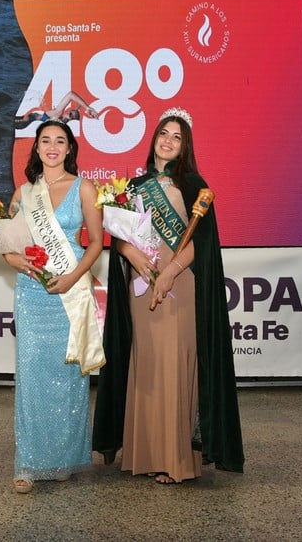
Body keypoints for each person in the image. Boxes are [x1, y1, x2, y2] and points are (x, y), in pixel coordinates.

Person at [92, 107, 245, 484]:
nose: (168, 141)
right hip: (141, 285)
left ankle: (176, 461)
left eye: (177, 137)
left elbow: (202, 243)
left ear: (185, 146)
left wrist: (169, 275)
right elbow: (119, 238)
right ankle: (144, 454)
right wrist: (135, 257)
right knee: (146, 366)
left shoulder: (194, 184)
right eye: (164, 133)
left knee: (176, 367)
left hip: (180, 285)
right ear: (154, 138)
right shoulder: (134, 186)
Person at [2, 118, 106, 494]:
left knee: (68, 376)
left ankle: (62, 458)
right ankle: (27, 463)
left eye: (60, 141)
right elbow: (7, 247)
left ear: (69, 149)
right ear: (37, 148)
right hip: (32, 291)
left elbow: (95, 242)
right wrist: (18, 262)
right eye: (45, 140)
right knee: (31, 374)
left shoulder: (85, 188)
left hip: (72, 288)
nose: (52, 147)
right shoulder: (22, 193)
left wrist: (75, 276)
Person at [14, 91, 99, 129]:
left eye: (70, 113)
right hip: (25, 124)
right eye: (71, 110)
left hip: (22, 122)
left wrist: (87, 107)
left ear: (70, 117)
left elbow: (70, 95)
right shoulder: (58, 123)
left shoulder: (57, 114)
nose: (68, 111)